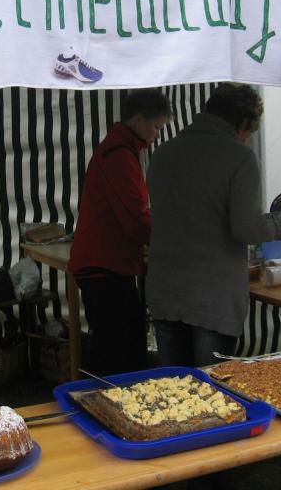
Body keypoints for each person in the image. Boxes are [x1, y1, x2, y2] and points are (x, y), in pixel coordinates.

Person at [145, 83, 281, 368]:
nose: (248, 138)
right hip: (213, 297)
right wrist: (276, 226)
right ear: (244, 123)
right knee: (212, 387)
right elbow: (245, 227)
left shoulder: (164, 152)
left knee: (172, 386)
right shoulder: (240, 157)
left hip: (166, 289)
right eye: (251, 131)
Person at [68, 88, 172, 375]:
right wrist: (168, 243)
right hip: (104, 265)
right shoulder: (119, 155)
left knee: (118, 344)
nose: (157, 135)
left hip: (104, 263)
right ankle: (108, 397)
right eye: (156, 127)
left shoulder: (119, 149)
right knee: (120, 351)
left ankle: (108, 393)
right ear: (138, 120)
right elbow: (135, 217)